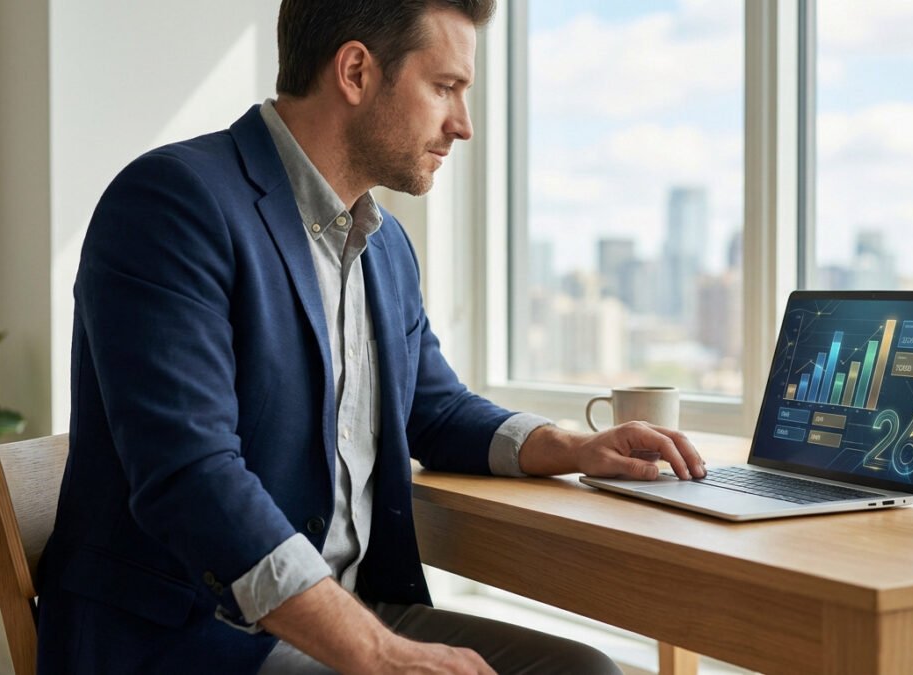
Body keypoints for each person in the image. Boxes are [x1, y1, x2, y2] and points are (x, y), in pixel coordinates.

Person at [35, 1, 706, 673]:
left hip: (354, 607)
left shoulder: (385, 248)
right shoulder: (173, 203)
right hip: (191, 641)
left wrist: (572, 444)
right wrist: (377, 653)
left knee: (585, 669)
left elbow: (436, 408)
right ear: (355, 71)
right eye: (445, 87)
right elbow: (191, 475)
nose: (462, 125)